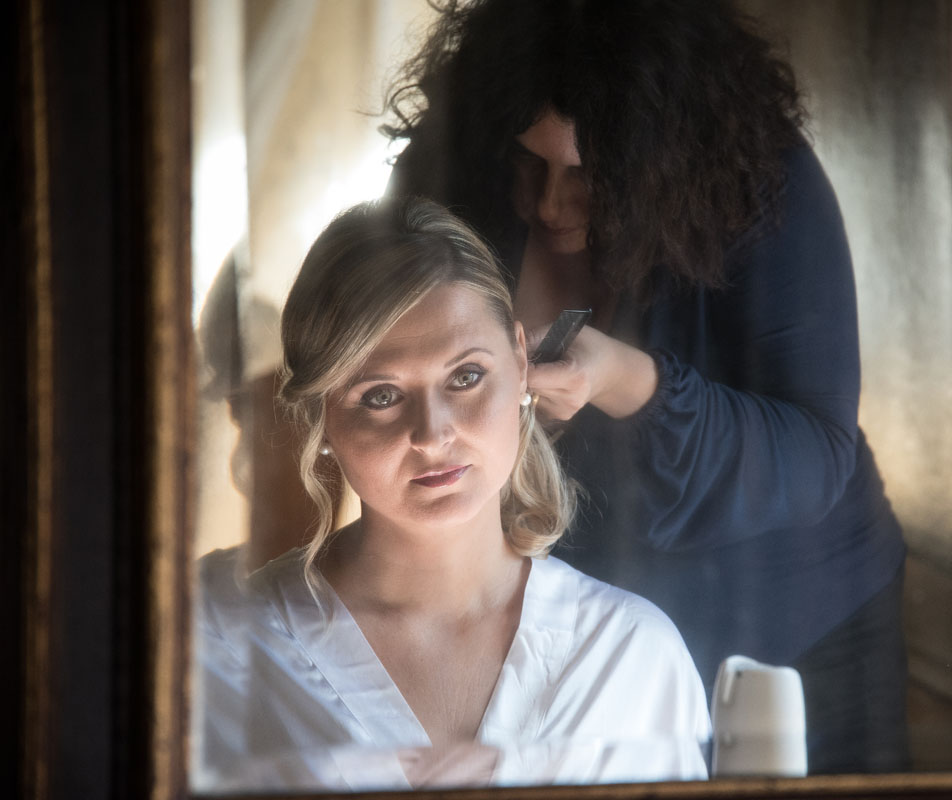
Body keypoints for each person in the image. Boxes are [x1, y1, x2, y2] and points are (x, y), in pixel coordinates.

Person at [383, 0, 909, 773]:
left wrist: (628, 381)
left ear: (661, 160)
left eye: (589, 176)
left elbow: (817, 454)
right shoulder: (452, 165)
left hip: (798, 627)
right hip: (577, 643)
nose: (554, 203)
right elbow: (386, 353)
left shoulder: (759, 180)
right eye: (531, 163)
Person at [193, 197, 710, 791]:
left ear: (520, 363)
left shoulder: (630, 658)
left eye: (465, 377)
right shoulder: (224, 641)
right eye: (380, 395)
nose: (433, 435)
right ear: (321, 416)